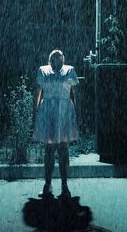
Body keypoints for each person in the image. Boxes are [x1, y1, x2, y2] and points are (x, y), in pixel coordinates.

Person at [33, 49, 81, 198]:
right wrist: (36, 112)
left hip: (65, 112)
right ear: (49, 59)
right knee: (49, 149)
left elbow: (75, 93)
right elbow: (38, 91)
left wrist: (77, 113)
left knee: (64, 149)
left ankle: (64, 186)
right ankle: (47, 185)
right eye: (53, 57)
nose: (56, 60)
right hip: (48, 111)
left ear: (63, 59)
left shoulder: (69, 70)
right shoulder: (43, 70)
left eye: (59, 57)